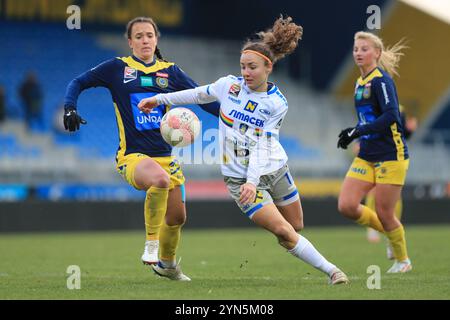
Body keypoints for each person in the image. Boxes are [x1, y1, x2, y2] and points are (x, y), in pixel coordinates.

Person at [139, 16, 349, 285]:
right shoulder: (229, 85)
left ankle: (289, 238)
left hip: (274, 168)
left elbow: (262, 144)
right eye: (243, 67)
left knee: (295, 227)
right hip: (240, 180)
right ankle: (333, 271)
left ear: (268, 67)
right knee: (284, 231)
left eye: (252, 67)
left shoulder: (276, 104)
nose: (246, 72)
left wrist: (256, 178)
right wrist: (158, 98)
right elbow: (197, 94)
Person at [63, 17, 220, 281]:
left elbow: (202, 98)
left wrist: (232, 119)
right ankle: (151, 244)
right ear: (130, 42)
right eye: (139, 36)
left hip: (167, 159)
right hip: (133, 157)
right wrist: (70, 107)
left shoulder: (170, 72)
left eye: (149, 35)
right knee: (158, 180)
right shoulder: (117, 68)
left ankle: (167, 265)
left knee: (177, 218)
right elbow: (77, 82)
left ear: (156, 39)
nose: (145, 40)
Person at [337, 31, 412, 273]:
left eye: (364, 49)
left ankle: (403, 262)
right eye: (356, 48)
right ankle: (391, 234)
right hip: (367, 154)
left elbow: (391, 115)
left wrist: (357, 131)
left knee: (384, 212)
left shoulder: (382, 80)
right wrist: (355, 135)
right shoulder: (360, 82)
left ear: (376, 54)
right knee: (347, 205)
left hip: (391, 154)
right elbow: (368, 118)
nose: (358, 52)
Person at [364, 106, 417, 257]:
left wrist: (410, 130)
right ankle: (374, 228)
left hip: (394, 155)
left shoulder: (399, 109)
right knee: (374, 190)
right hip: (377, 152)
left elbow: (402, 134)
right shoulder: (373, 106)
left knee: (394, 195)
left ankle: (392, 227)